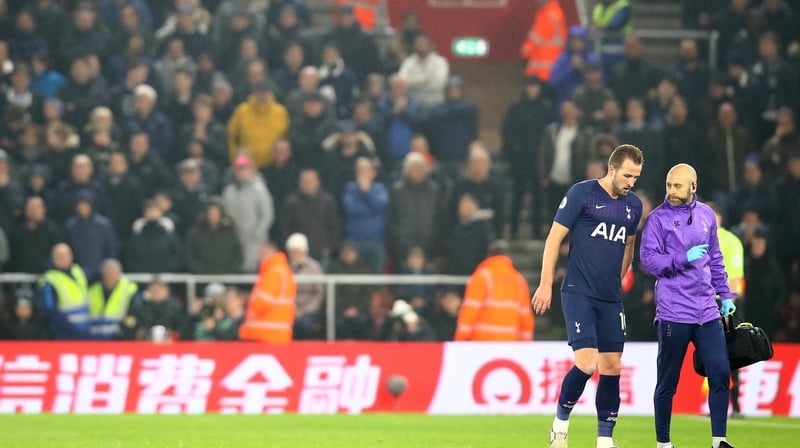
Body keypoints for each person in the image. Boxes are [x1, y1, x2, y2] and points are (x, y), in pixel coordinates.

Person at [531, 144, 644, 448]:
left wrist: (617, 281)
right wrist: (545, 284)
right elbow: (554, 238)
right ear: (612, 169)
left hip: (610, 298)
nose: (631, 182)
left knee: (612, 366)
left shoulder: (633, 205)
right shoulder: (583, 194)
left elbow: (629, 246)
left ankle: (605, 441)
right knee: (587, 363)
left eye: (636, 177)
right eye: (628, 175)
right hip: (578, 292)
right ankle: (560, 424)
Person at [640, 164, 738, 448]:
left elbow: (716, 259)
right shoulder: (657, 220)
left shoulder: (706, 215)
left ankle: (719, 440)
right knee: (668, 381)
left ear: (693, 187)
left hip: (707, 310)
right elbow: (648, 261)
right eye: (669, 185)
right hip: (674, 312)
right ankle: (663, 443)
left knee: (720, 373)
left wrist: (725, 295)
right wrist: (682, 258)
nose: (671, 191)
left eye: (677, 186)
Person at [454, 240, 533, 341]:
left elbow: (470, 311)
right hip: (510, 343)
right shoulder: (519, 280)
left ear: (489, 255)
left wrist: (459, 340)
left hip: (482, 343)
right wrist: (525, 345)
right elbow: (525, 318)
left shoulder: (482, 277)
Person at [239, 242, 297, 343]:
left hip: (266, 333)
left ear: (269, 252)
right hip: (276, 333)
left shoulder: (273, 272)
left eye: (262, 253)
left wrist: (248, 304)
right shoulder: (282, 270)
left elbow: (262, 302)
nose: (259, 257)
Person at [38, 243, 91, 340]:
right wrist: (66, 327)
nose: (63, 259)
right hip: (64, 333)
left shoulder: (78, 271)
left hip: (85, 330)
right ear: (53, 258)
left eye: (66, 255)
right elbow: (50, 309)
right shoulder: (50, 279)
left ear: (71, 256)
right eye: (60, 256)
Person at [88, 258, 139, 340]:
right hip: (94, 338)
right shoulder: (93, 290)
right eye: (108, 273)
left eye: (113, 273)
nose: (110, 276)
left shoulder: (129, 289)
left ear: (119, 274)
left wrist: (125, 332)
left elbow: (133, 315)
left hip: (118, 337)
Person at [520, 0, 567, 81]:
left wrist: (524, 52)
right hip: (551, 67)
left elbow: (535, 40)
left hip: (544, 71)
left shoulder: (548, 15)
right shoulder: (553, 12)